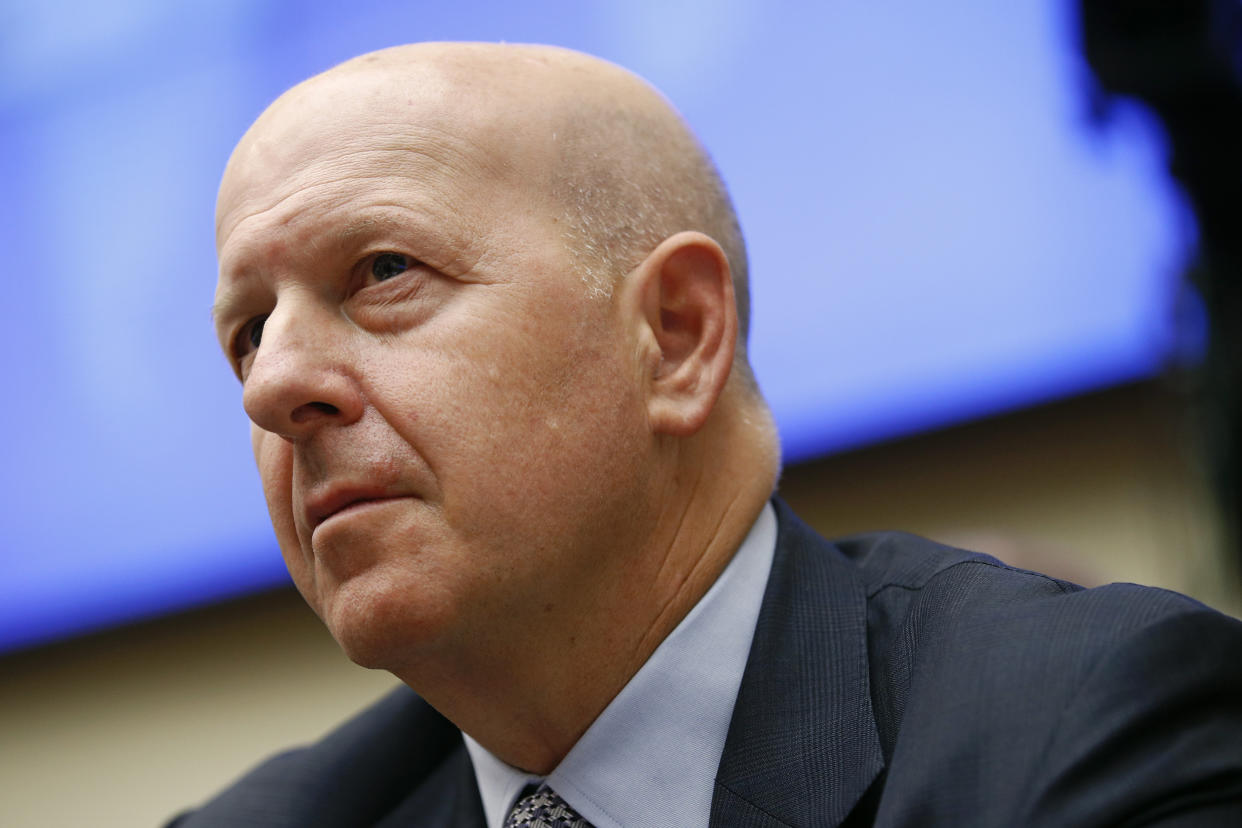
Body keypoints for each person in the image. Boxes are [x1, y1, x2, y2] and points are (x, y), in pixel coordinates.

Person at [178, 42, 1242, 827]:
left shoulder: (1094, 736)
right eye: (248, 333)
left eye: (383, 274)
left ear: (677, 335)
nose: (271, 387)